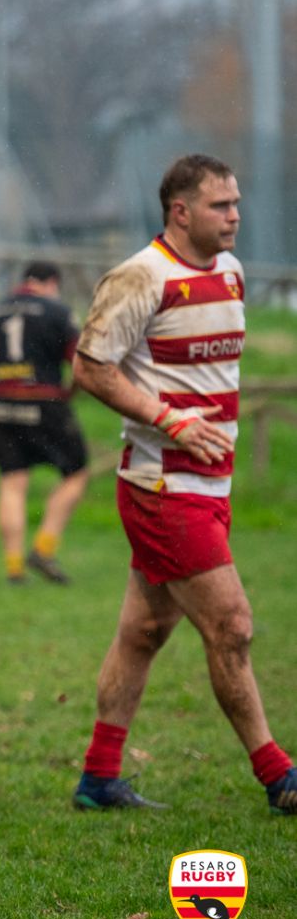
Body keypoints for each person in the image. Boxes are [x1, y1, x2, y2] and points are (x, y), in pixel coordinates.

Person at [69, 153, 296, 813]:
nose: (235, 216)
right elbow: (90, 367)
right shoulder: (142, 276)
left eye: (237, 203)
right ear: (180, 211)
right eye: (221, 205)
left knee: (142, 632)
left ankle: (98, 777)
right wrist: (168, 418)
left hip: (211, 486)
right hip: (161, 488)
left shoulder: (230, 272)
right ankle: (278, 774)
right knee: (232, 625)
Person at [0, 262, 89, 584]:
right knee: (76, 474)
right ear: (51, 282)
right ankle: (43, 548)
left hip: (1, 403)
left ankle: (14, 568)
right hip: (44, 401)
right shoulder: (58, 311)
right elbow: (80, 362)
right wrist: (70, 391)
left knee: (12, 482)